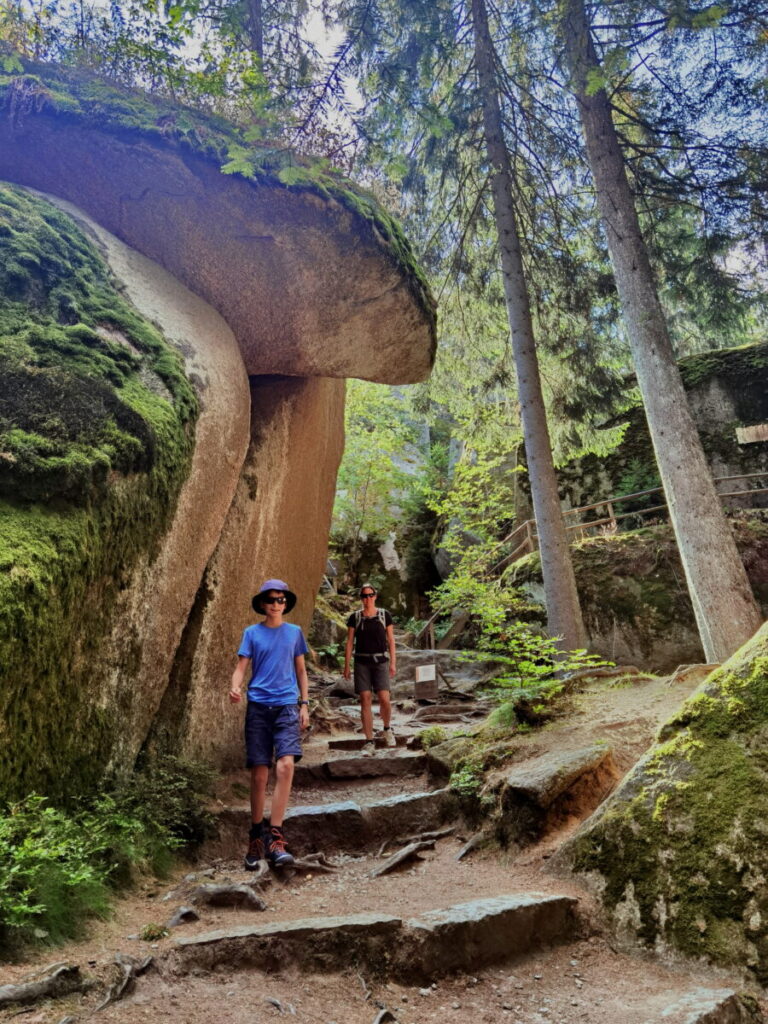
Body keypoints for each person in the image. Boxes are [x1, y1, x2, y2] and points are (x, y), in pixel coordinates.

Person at [229, 578, 310, 870]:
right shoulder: (251, 633)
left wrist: (305, 704)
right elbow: (241, 668)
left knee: (286, 765)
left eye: (282, 600)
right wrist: (235, 687)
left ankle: (276, 837)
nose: (278, 604)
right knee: (260, 774)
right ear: (263, 604)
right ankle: (256, 837)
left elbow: (301, 671)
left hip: (288, 706)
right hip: (259, 708)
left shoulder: (294, 633)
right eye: (273, 599)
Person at [343, 583, 397, 755]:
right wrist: (346, 665)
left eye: (370, 595)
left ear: (375, 596)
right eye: (364, 596)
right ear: (361, 598)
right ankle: (368, 740)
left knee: (384, 698)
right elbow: (350, 642)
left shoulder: (384, 615)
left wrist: (393, 662)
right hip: (362, 662)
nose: (367, 599)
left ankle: (387, 729)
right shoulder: (355, 617)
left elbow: (391, 640)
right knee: (365, 698)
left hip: (380, 660)